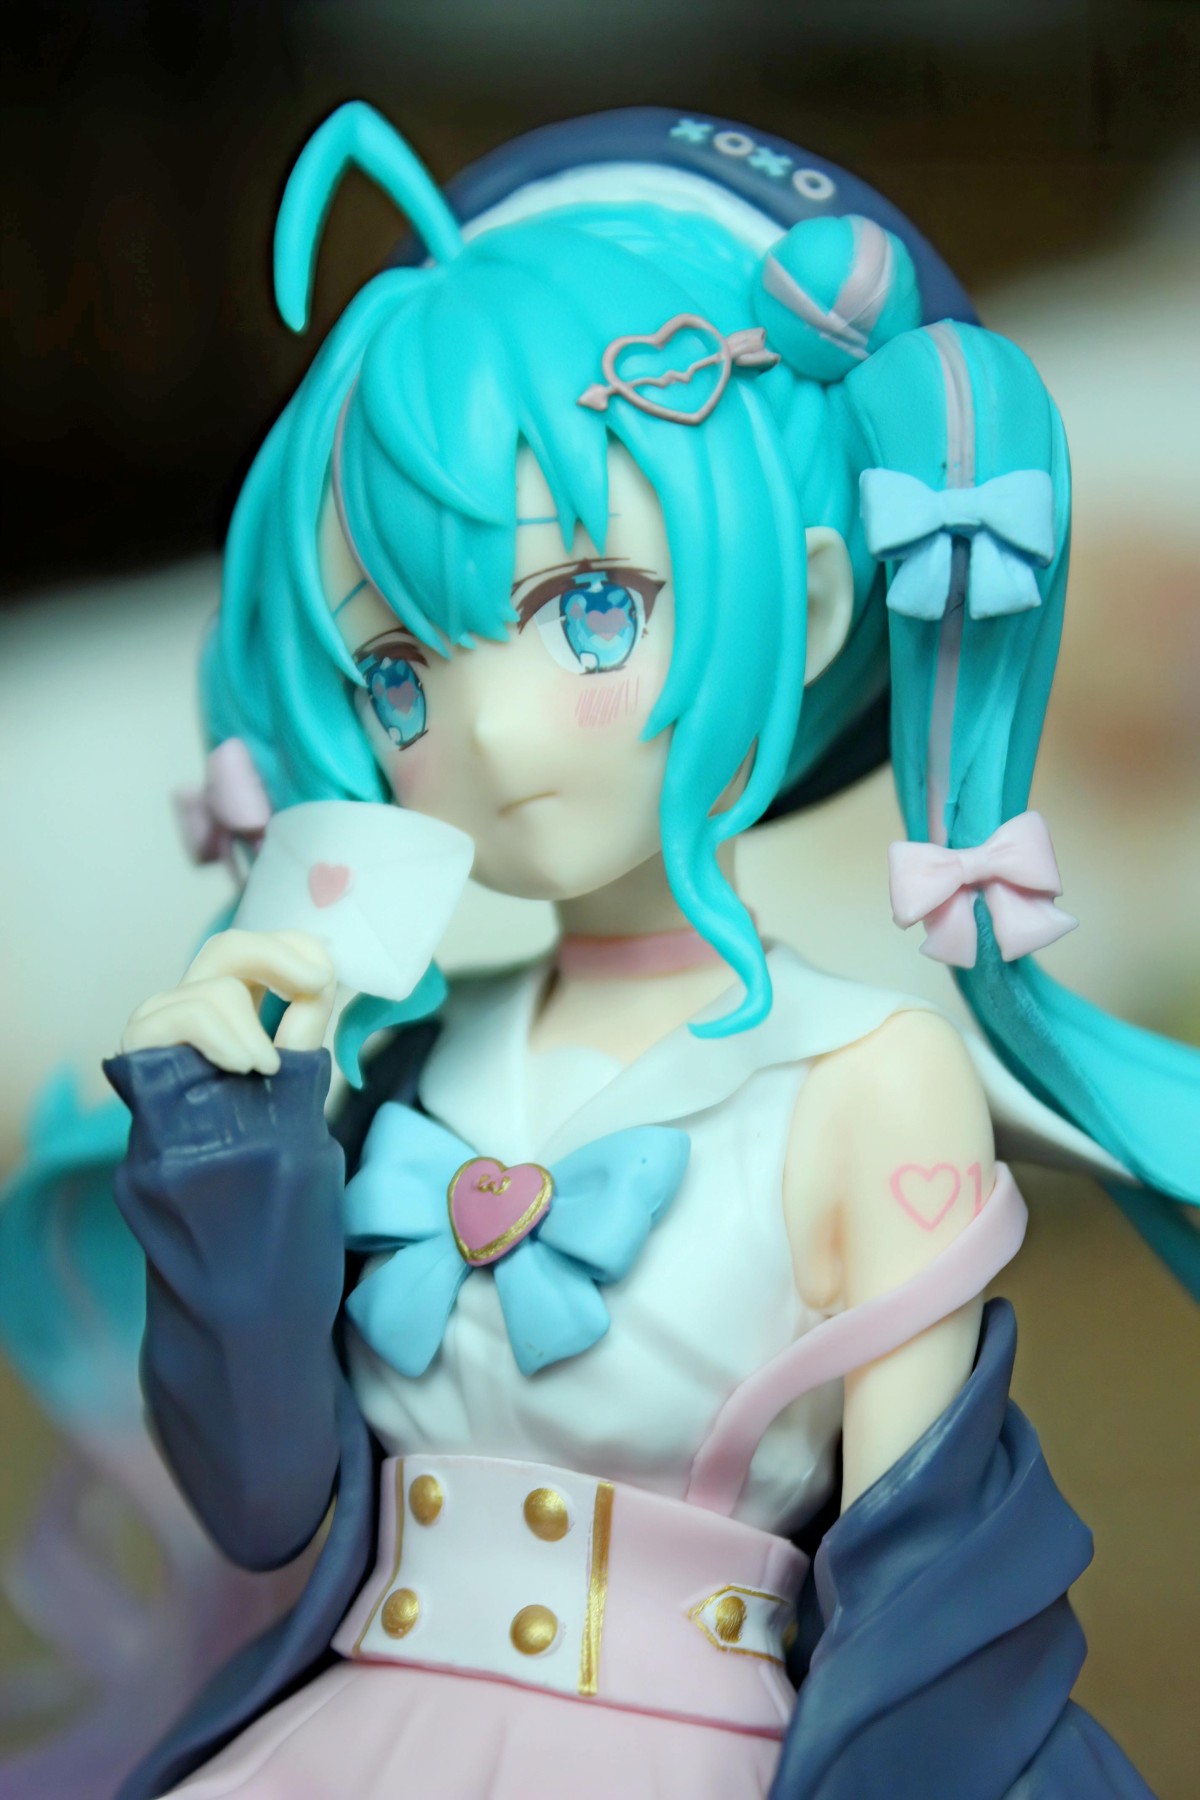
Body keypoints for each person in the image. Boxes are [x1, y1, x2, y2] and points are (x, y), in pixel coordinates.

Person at [99, 102, 1196, 1797]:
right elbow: (258, 1501)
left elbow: (924, 1605)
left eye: (588, 607)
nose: (491, 727)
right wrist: (227, 1133)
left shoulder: (866, 1078)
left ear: (808, 609)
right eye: (401, 671)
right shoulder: (404, 1071)